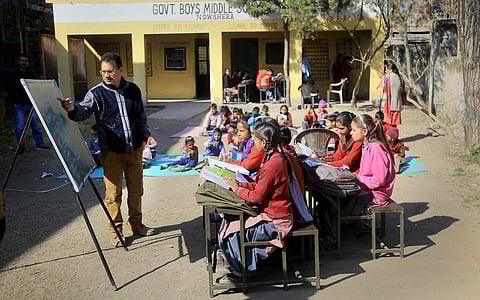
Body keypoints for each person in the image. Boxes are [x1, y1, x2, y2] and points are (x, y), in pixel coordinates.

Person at [60, 52, 154, 247]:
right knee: (113, 195)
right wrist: (71, 109)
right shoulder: (96, 93)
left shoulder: (133, 90)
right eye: (103, 72)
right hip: (111, 153)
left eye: (111, 71)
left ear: (120, 70)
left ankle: (136, 225)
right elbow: (82, 113)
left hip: (135, 151)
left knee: (136, 191)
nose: (107, 75)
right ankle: (116, 231)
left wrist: (145, 136)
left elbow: (141, 116)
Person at [222, 121, 294, 281]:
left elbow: (257, 197)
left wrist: (237, 189)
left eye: (255, 140)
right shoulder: (272, 158)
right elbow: (261, 185)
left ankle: (242, 269)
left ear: (263, 141)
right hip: (271, 212)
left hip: (276, 220)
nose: (253, 144)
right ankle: (236, 260)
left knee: (232, 231)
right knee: (230, 221)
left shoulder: (274, 163)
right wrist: (241, 184)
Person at [350, 114, 395, 211]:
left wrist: (357, 179)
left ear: (365, 131)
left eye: (353, 130)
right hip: (368, 189)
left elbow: (378, 180)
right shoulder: (366, 146)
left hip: (376, 194)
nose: (351, 133)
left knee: (337, 203)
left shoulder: (376, 148)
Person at [8, 53, 48, 153]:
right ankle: (21, 147)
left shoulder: (31, 73)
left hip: (31, 104)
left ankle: (40, 145)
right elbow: (10, 89)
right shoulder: (13, 74)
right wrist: (12, 103)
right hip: (19, 104)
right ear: (18, 62)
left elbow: (36, 87)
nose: (24, 63)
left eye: (25, 61)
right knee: (20, 127)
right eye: (22, 61)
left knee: (36, 126)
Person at [378, 63, 402, 131]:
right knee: (394, 124)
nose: (385, 71)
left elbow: (381, 90)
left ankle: (388, 138)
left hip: (388, 104)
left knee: (387, 123)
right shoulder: (399, 77)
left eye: (386, 69)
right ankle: (394, 137)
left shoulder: (386, 78)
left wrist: (379, 104)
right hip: (396, 105)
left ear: (390, 69)